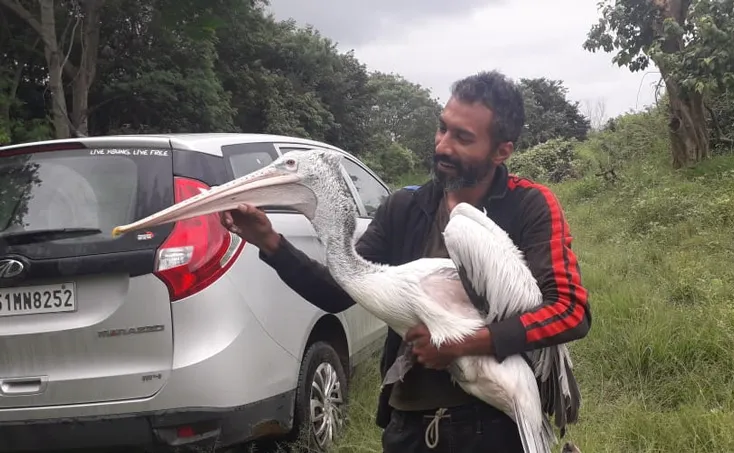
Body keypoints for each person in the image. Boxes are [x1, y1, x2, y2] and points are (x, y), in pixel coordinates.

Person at [221, 70, 591, 453]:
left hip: (493, 425)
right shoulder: (406, 206)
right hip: (410, 423)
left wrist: (461, 345)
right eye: (442, 129)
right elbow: (340, 291)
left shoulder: (528, 205)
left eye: (462, 138)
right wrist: (270, 242)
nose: (443, 146)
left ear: (502, 151)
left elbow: (570, 311)